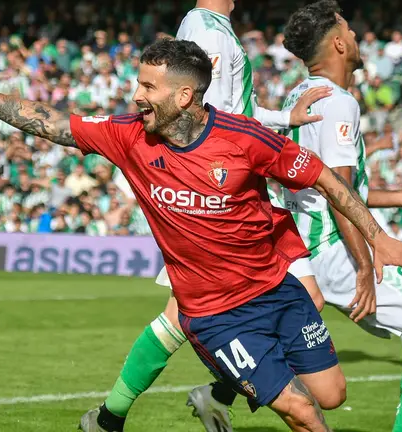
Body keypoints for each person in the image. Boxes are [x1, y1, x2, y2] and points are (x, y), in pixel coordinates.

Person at [0, 39, 402, 432]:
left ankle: (214, 393)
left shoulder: (245, 141)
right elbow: (50, 123)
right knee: (303, 412)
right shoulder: (127, 135)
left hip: (278, 290)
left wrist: (376, 237)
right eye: (138, 83)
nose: (136, 95)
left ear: (184, 96)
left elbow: (324, 178)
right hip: (214, 314)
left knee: (332, 394)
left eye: (148, 87)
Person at [188, 2, 402, 432]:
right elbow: (338, 191)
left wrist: (401, 197)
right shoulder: (338, 103)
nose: (356, 39)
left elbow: (328, 184)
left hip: (301, 244)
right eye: (350, 32)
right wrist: (366, 260)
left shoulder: (301, 96)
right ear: (338, 43)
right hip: (334, 245)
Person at [85, 0, 334, 429]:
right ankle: (117, 414)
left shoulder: (211, 26)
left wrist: (280, 118)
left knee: (289, 301)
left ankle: (197, 398)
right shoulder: (209, 32)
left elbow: (232, 109)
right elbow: (205, 117)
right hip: (216, 194)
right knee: (184, 316)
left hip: (237, 189)